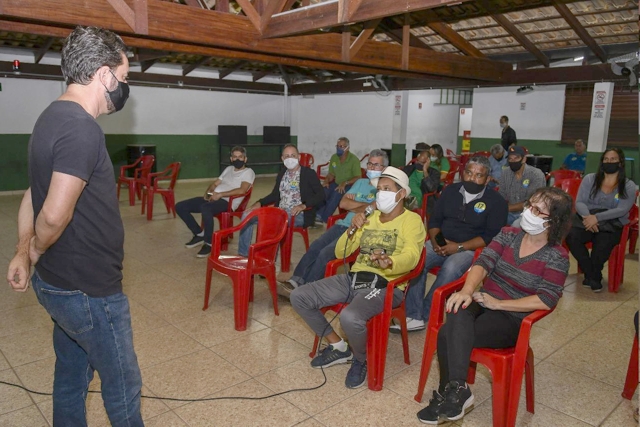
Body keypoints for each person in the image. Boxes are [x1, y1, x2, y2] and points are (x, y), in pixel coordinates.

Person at [5, 27, 143, 426]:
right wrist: (33, 249)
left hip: (57, 284)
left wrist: (20, 250)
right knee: (122, 385)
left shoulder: (49, 116)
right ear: (104, 75)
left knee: (70, 373)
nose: (124, 87)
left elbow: (33, 193)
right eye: (124, 78)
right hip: (89, 290)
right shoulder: (82, 128)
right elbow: (52, 215)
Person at [417, 187, 572, 424]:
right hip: (484, 299)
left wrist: (499, 304)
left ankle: (450, 393)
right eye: (529, 205)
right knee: (457, 305)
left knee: (449, 333)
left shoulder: (557, 256)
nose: (528, 212)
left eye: (537, 210)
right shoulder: (509, 234)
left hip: (511, 317)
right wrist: (467, 291)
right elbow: (483, 262)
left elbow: (547, 299)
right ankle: (457, 390)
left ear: (554, 221)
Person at [290, 167, 426, 389]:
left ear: (401, 194)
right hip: (355, 277)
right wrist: (352, 229)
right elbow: (339, 251)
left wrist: (391, 262)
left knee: (350, 317)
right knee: (299, 296)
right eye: (379, 189)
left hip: (386, 285)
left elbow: (412, 256)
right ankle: (338, 347)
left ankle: (360, 359)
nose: (381, 193)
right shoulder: (369, 218)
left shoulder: (412, 221)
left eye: (387, 189)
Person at [394, 156, 508, 333]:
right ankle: (413, 314)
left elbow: (490, 236)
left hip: (470, 249)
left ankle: (426, 312)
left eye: (479, 175)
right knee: (417, 259)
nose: (472, 178)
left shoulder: (497, 202)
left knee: (450, 267)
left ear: (487, 179)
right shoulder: (450, 191)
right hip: (442, 241)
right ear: (463, 173)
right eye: (469, 173)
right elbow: (435, 221)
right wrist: (437, 242)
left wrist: (459, 247)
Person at [280, 149, 387, 293]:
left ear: (384, 169)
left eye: (376, 165)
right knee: (315, 246)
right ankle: (295, 280)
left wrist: (356, 205)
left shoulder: (385, 189)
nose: (372, 168)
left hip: (359, 230)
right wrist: (366, 206)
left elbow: (377, 208)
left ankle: (307, 289)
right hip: (342, 225)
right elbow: (343, 204)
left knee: (325, 253)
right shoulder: (361, 182)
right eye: (369, 164)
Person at [565, 148, 636, 293]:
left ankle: (590, 274)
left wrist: (596, 218)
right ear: (602, 161)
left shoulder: (628, 185)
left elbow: (622, 210)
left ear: (620, 162)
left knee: (602, 242)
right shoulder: (590, 179)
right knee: (571, 235)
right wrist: (588, 217)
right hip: (587, 218)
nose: (609, 162)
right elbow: (580, 202)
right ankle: (593, 274)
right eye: (606, 159)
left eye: (613, 159)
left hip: (613, 222)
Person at [238, 144, 324, 257]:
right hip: (279, 211)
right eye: (287, 156)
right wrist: (259, 203)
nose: (290, 158)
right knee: (247, 215)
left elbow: (321, 195)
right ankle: (243, 255)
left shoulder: (308, 173)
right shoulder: (282, 173)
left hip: (299, 214)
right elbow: (275, 195)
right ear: (282, 159)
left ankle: (266, 260)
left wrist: (303, 206)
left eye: (293, 155)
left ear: (298, 157)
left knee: (272, 221)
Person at [176, 145, 255, 258]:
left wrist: (221, 194)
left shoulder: (248, 172)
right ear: (231, 159)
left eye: (240, 157)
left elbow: (242, 190)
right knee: (180, 206)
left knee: (205, 208)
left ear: (245, 159)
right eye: (235, 157)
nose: (237, 160)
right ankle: (199, 234)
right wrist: (208, 193)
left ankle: (209, 243)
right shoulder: (228, 169)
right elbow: (215, 184)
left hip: (228, 202)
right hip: (215, 198)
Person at [315, 137, 362, 223]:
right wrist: (326, 181)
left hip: (350, 185)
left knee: (337, 193)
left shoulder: (354, 159)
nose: (339, 148)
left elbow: (358, 177)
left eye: (342, 146)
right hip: (337, 183)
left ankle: (324, 218)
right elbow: (331, 174)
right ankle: (318, 214)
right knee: (324, 191)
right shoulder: (334, 158)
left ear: (347, 148)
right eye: (338, 146)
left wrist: (346, 182)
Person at [498, 146, 545, 225]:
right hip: (510, 212)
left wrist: (506, 208)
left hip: (530, 213)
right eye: (510, 158)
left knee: (516, 225)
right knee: (491, 221)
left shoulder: (536, 174)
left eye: (516, 158)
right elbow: (501, 196)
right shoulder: (505, 173)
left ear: (524, 159)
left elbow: (532, 203)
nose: (513, 161)